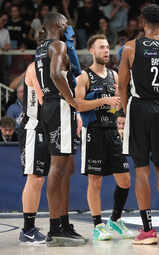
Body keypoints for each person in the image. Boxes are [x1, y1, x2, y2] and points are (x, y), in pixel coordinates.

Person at [119, 4, 159, 245]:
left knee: (141, 169)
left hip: (139, 108)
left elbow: (122, 85)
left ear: (142, 22)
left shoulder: (130, 48)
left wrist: (124, 112)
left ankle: (147, 230)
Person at [75, 34, 133, 241]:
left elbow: (117, 104)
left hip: (111, 131)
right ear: (92, 51)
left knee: (125, 180)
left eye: (108, 47)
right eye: (101, 47)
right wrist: (103, 101)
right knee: (95, 181)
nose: (106, 51)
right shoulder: (83, 77)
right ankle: (98, 224)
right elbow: (78, 104)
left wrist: (116, 105)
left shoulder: (114, 75)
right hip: (93, 132)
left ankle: (115, 220)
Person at [35, 12, 85, 246]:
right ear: (57, 25)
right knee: (58, 167)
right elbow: (56, 74)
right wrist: (71, 99)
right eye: (65, 23)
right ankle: (55, 226)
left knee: (66, 166)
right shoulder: (58, 44)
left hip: (50, 107)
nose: (68, 27)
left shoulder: (41, 48)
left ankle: (62, 222)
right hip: (60, 105)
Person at [18, 62, 49, 245]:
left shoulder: (54, 65)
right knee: (34, 178)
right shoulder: (34, 67)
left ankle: (32, 228)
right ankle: (27, 230)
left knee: (40, 179)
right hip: (33, 128)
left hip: (46, 128)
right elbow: (44, 99)